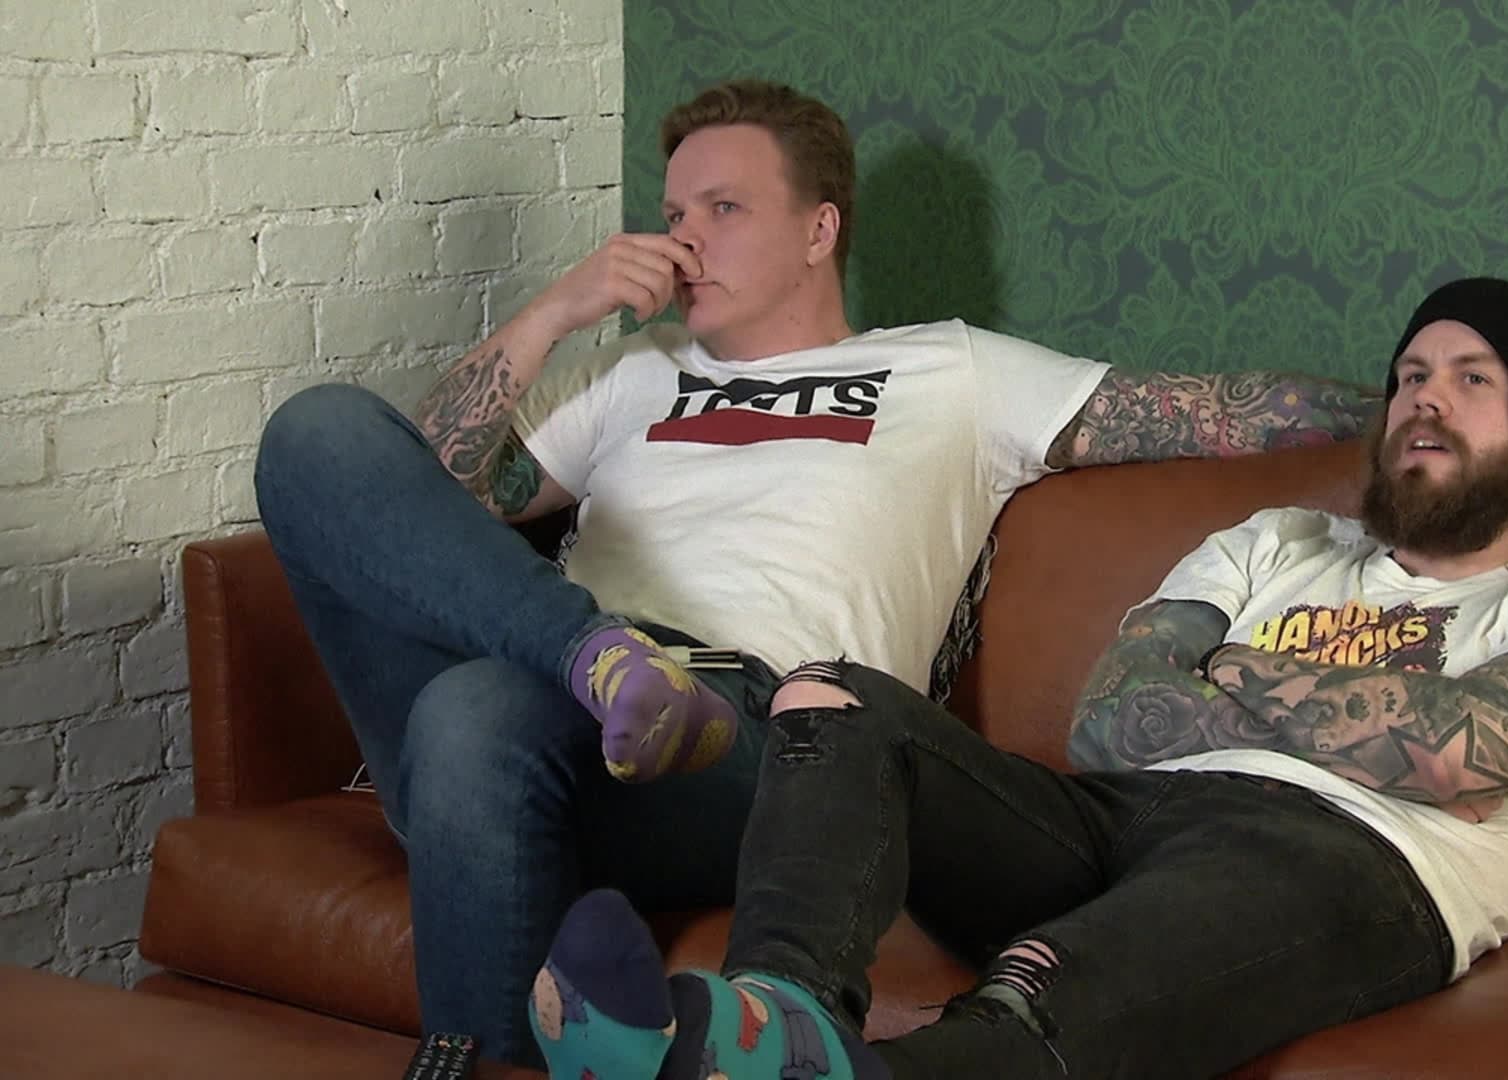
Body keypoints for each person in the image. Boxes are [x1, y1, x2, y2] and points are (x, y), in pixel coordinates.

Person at [250, 79, 1376, 1066]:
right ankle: (595, 656)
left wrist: (1428, 407)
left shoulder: (951, 370)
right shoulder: (627, 372)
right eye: (673, 216)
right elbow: (409, 510)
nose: (685, 244)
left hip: (755, 748)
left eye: (724, 210)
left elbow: (1211, 411)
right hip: (554, 692)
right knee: (316, 432)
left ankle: (583, 710)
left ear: (819, 228)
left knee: (470, 711)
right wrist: (557, 312)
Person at [524, 277, 1508, 1080]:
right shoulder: (1278, 540)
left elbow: (1466, 752)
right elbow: (1114, 721)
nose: (1423, 396)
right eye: (1411, 372)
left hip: (1347, 861)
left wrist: (1227, 666)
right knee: (831, 698)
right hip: (1122, 817)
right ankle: (778, 1013)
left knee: (1044, 981)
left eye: (1472, 380)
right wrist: (1369, 722)